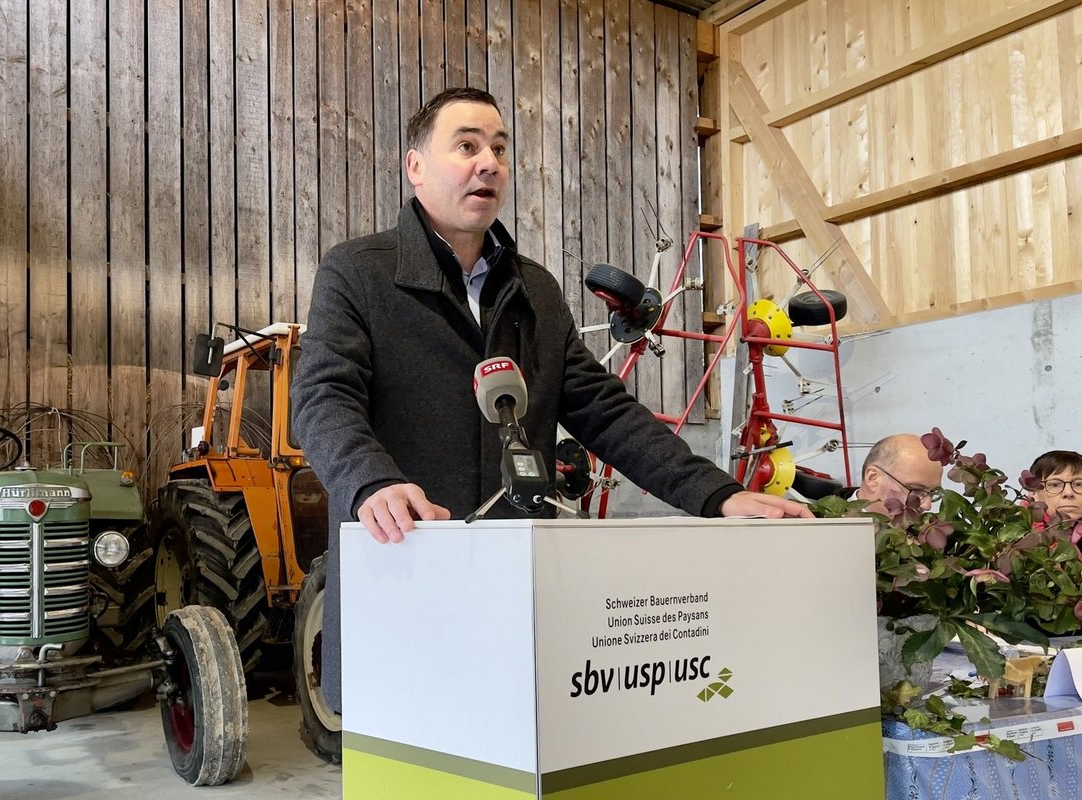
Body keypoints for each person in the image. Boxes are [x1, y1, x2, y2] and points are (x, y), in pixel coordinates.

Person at [290, 87, 810, 713]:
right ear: (415, 166)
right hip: (402, 572)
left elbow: (603, 409)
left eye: (500, 149)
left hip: (511, 595)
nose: (488, 162)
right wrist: (371, 483)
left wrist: (716, 493)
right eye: (466, 145)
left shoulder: (534, 290)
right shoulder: (358, 274)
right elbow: (322, 396)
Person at [850, 433, 944, 515]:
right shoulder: (836, 532)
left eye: (933, 493)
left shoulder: (921, 531)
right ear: (873, 478)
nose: (927, 506)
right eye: (916, 491)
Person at [1027, 450, 1082, 525]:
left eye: (1079, 484)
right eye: (1055, 485)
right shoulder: (1012, 533)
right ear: (1033, 492)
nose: (1068, 493)